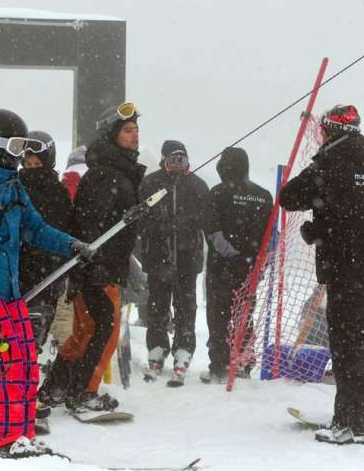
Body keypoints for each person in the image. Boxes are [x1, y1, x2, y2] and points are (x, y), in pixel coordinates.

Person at [0, 109, 92, 458]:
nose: (20, 154)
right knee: (4, 366)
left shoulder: (13, 187)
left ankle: (21, 436)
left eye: (23, 146)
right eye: (15, 145)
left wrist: (70, 244)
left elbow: (35, 229)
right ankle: (1, 439)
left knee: (24, 364)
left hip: (11, 293)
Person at [39, 102, 145, 412]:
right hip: (100, 269)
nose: (135, 135)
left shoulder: (117, 172)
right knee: (105, 331)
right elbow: (89, 223)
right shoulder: (108, 175)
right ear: (113, 135)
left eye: (137, 130)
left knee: (85, 330)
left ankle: (56, 388)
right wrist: (95, 266)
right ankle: (83, 392)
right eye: (128, 130)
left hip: (100, 266)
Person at [279, 104, 364, 444]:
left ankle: (351, 423)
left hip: (346, 270)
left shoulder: (327, 164)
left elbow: (288, 197)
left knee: (348, 346)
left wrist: (321, 227)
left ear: (329, 131)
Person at [139, 140, 209, 383]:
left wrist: (187, 223)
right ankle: (157, 349)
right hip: (158, 259)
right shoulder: (151, 183)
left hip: (187, 261)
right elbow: (141, 219)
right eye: (173, 159)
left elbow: (207, 219)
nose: (178, 164)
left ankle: (184, 349)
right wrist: (160, 226)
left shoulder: (198, 185)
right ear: (164, 160)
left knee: (186, 307)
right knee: (157, 306)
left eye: (182, 159)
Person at [200, 146, 272, 384]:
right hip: (251, 268)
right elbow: (270, 235)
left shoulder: (218, 192)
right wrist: (256, 261)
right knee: (245, 315)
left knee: (218, 317)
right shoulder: (263, 195)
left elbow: (211, 229)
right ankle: (243, 363)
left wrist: (232, 254)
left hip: (222, 267)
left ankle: (219, 366)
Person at [18, 130, 73, 352]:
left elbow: (60, 228)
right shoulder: (16, 189)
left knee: (52, 326)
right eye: (28, 165)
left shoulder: (57, 193)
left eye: (37, 164)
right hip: (20, 271)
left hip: (50, 272)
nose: (32, 170)